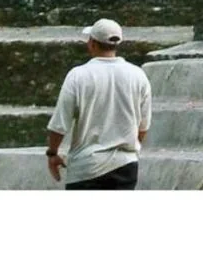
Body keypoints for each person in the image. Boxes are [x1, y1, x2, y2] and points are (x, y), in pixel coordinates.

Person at [44, 17, 151, 190]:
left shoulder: (78, 76)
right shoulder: (138, 76)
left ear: (92, 43)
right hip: (126, 167)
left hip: (86, 167)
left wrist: (52, 153)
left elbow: (59, 125)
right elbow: (143, 128)